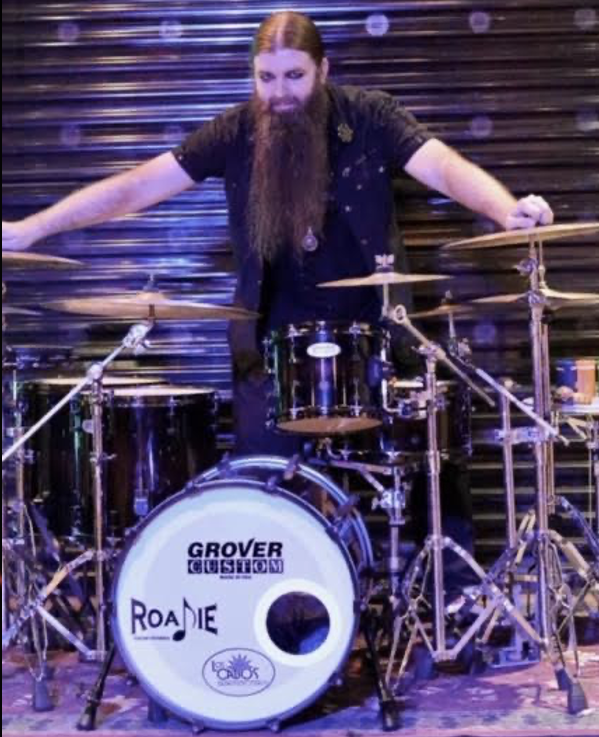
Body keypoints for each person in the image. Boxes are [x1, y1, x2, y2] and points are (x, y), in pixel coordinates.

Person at [3, 11, 553, 592]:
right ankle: (284, 613)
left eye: (294, 76)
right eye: (266, 78)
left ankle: (453, 598)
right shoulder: (235, 132)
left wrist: (506, 210)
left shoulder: (371, 117)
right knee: (266, 493)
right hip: (271, 352)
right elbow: (137, 186)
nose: (280, 93)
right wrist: (31, 229)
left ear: (323, 70)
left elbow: (443, 166)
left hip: (373, 339)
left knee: (433, 461)